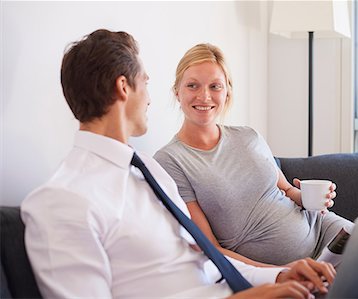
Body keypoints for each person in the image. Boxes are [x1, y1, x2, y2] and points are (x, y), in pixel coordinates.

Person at [21, 29, 339, 299]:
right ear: (123, 87)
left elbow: (205, 255)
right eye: (144, 83)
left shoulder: (148, 171)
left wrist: (280, 277)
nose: (148, 98)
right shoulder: (63, 201)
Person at [154, 43, 358, 269]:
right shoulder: (171, 160)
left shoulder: (248, 136)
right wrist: (280, 276)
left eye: (215, 86)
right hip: (284, 264)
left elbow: (286, 189)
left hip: (323, 228)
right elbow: (210, 248)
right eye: (193, 85)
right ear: (177, 92)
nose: (204, 96)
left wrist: (305, 197)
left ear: (227, 93)